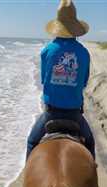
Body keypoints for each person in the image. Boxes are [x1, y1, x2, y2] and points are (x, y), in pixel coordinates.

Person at [26, 0, 95, 159]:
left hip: (51, 114)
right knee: (90, 142)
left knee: (31, 141)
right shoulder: (84, 53)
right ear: (76, 29)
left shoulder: (47, 50)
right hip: (74, 114)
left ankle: (26, 181)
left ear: (57, 27)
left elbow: (44, 79)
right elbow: (84, 82)